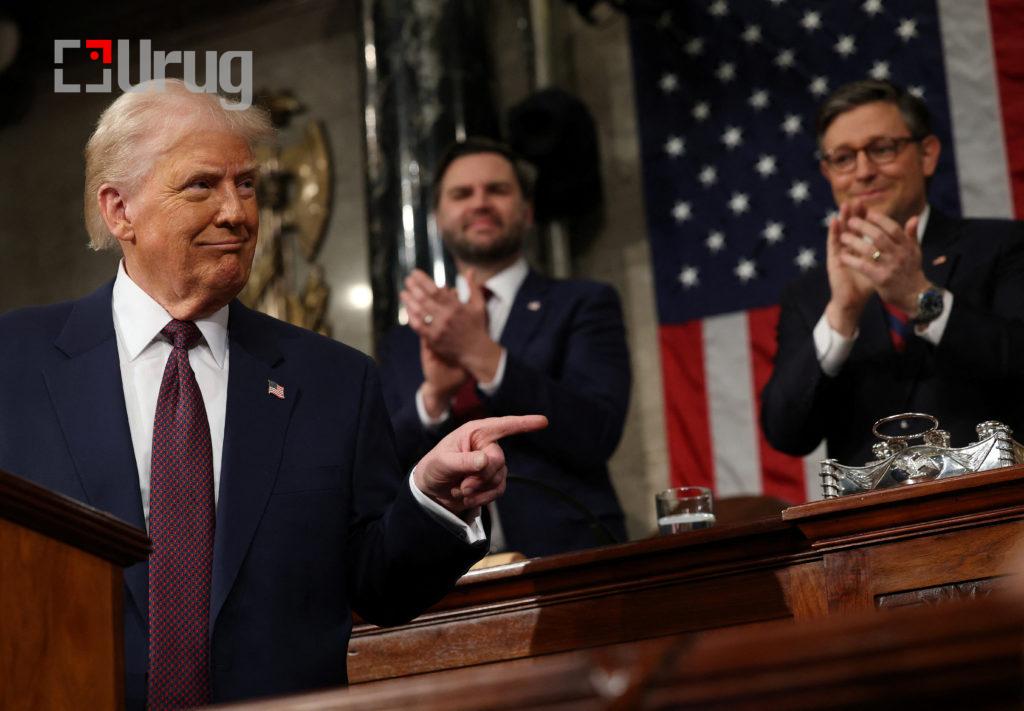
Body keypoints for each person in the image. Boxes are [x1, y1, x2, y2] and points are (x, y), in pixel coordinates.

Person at [0, 81, 545, 709]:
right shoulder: (17, 362)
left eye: (248, 185)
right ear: (120, 210)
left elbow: (381, 588)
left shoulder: (333, 380)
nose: (237, 212)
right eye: (202, 185)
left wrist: (432, 500)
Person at [378, 138, 631, 558]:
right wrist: (434, 397)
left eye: (496, 190)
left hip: (569, 557)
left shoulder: (584, 304)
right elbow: (381, 469)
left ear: (527, 211)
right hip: (440, 574)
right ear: (439, 219)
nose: (480, 203)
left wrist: (483, 356)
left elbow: (597, 433)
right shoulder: (403, 341)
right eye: (462, 194)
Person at [761, 79, 1024, 467]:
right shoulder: (811, 294)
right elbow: (786, 433)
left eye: (882, 150)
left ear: (928, 154)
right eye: (844, 158)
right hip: (872, 523)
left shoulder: (1002, 245)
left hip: (997, 508)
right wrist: (841, 316)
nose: (863, 171)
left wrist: (921, 299)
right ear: (828, 172)